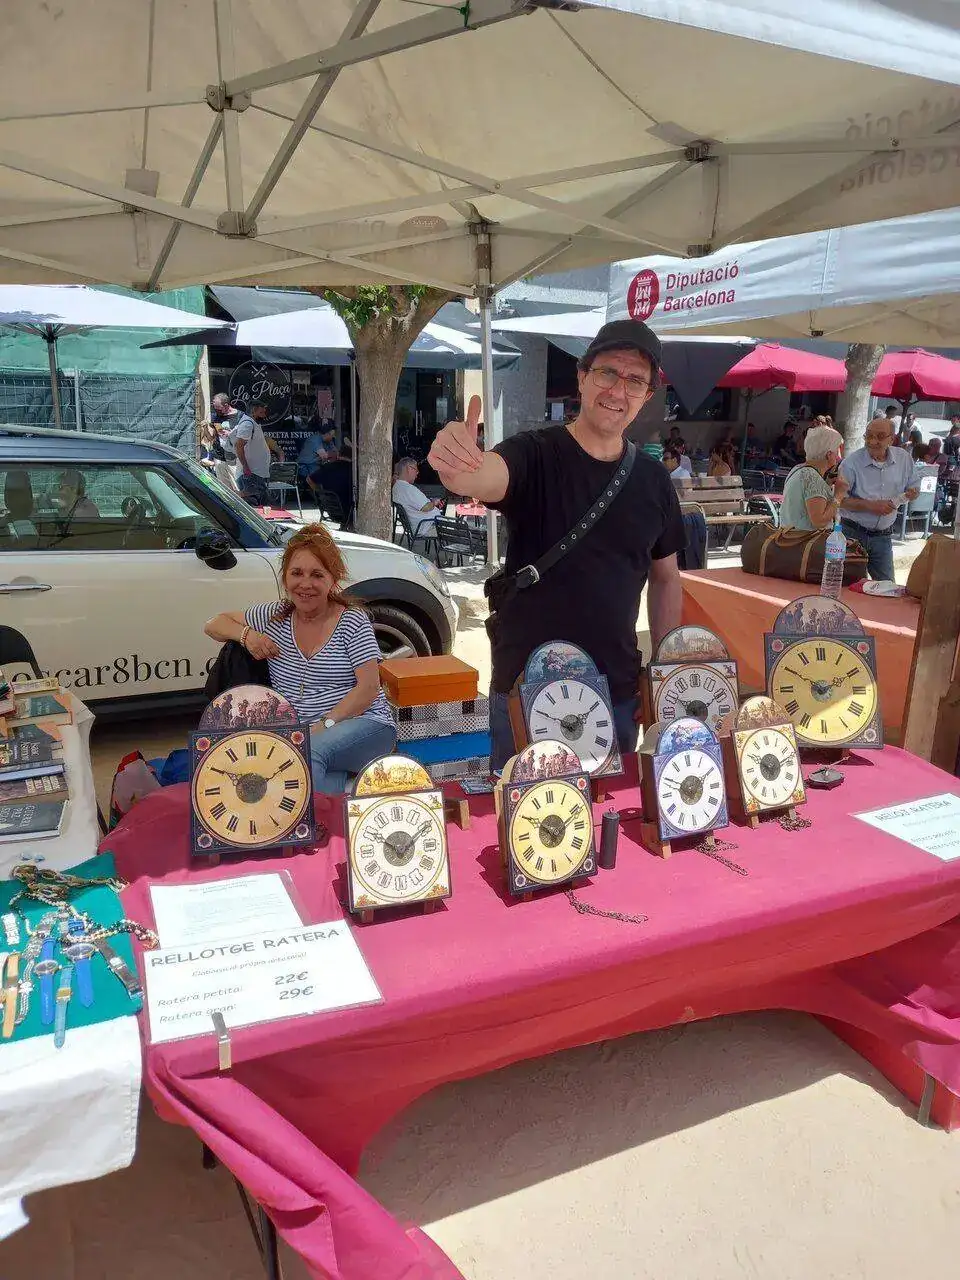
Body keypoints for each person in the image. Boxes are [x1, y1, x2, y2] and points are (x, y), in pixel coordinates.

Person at [427, 317, 685, 772]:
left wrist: (662, 670)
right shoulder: (534, 452)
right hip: (526, 689)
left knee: (608, 811)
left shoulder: (654, 481)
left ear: (646, 396)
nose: (618, 389)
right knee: (523, 810)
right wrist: (459, 467)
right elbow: (488, 475)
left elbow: (666, 578)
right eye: (607, 372)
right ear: (582, 377)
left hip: (615, 691)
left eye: (634, 380)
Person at [203, 524, 397, 794]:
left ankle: (331, 807)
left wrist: (324, 725)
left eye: (317, 575)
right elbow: (214, 624)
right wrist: (247, 636)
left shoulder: (352, 621)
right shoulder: (274, 616)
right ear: (285, 578)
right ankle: (353, 787)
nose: (305, 584)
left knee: (304, 756)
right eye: (297, 573)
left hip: (364, 723)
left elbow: (368, 688)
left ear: (333, 579)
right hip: (301, 732)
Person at [838, 416, 918, 581]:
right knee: (848, 586)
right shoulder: (851, 463)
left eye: (880, 437)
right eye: (869, 436)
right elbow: (839, 500)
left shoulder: (903, 459)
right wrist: (871, 506)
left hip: (883, 537)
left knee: (887, 588)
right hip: (852, 534)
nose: (873, 441)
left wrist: (912, 493)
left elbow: (914, 487)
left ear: (892, 439)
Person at [779, 424, 849, 531]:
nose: (838, 456)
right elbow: (819, 521)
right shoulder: (812, 477)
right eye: (837, 450)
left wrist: (826, 485)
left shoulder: (798, 469)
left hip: (789, 536)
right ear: (829, 454)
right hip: (805, 539)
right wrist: (838, 495)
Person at [212, 392, 271, 506]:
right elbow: (239, 445)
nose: (264, 414)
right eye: (262, 411)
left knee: (245, 495)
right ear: (254, 411)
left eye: (218, 408)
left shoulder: (243, 419)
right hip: (232, 461)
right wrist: (245, 466)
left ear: (226, 405)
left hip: (245, 465)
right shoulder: (247, 423)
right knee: (246, 499)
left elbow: (240, 443)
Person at [391, 457, 443, 539]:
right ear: (409, 469)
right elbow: (425, 507)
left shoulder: (397, 487)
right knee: (459, 531)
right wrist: (434, 502)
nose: (417, 473)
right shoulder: (409, 489)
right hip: (426, 527)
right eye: (416, 470)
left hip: (419, 526)